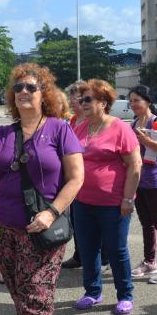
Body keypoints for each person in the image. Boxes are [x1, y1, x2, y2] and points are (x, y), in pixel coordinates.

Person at [0, 63, 84, 315]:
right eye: (18, 87)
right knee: (19, 294)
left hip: (42, 229)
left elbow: (76, 178)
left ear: (44, 93)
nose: (23, 91)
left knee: (36, 299)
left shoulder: (60, 129)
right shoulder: (4, 132)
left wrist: (52, 212)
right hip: (4, 226)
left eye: (31, 87)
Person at [71, 79, 141, 315]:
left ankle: (125, 295)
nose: (82, 103)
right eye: (81, 99)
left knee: (116, 249)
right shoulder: (80, 128)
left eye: (88, 99)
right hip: (82, 202)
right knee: (88, 249)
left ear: (103, 103)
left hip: (113, 203)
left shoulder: (120, 128)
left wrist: (128, 199)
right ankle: (92, 292)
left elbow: (135, 165)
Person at [127, 85, 157, 284]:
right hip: (138, 180)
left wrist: (148, 142)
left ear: (148, 101)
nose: (133, 104)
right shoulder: (133, 123)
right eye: (131, 101)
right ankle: (150, 262)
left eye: (137, 100)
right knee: (146, 223)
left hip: (155, 180)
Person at [61, 80, 91, 270]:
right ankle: (80, 254)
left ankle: (100, 256)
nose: (72, 102)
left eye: (76, 98)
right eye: (71, 98)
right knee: (76, 220)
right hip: (74, 179)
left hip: (88, 178)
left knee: (90, 222)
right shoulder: (72, 121)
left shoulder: (91, 121)